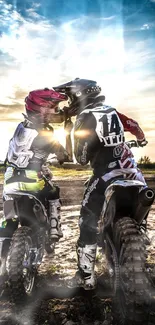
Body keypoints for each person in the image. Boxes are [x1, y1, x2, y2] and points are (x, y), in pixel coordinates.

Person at [54, 78, 148, 289]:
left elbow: (82, 157)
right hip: (134, 175)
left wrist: (76, 141)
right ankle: (140, 235)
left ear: (80, 96)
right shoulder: (112, 111)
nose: (69, 103)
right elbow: (134, 126)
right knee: (141, 212)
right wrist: (140, 140)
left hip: (106, 176)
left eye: (70, 98)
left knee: (86, 220)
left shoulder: (85, 117)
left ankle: (86, 278)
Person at [3, 88, 70, 242]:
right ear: (42, 109)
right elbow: (64, 156)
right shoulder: (46, 133)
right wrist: (68, 132)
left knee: (8, 221)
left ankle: (2, 256)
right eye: (52, 107)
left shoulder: (21, 127)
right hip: (32, 180)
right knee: (54, 191)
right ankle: (54, 228)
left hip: (10, 180)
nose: (55, 111)